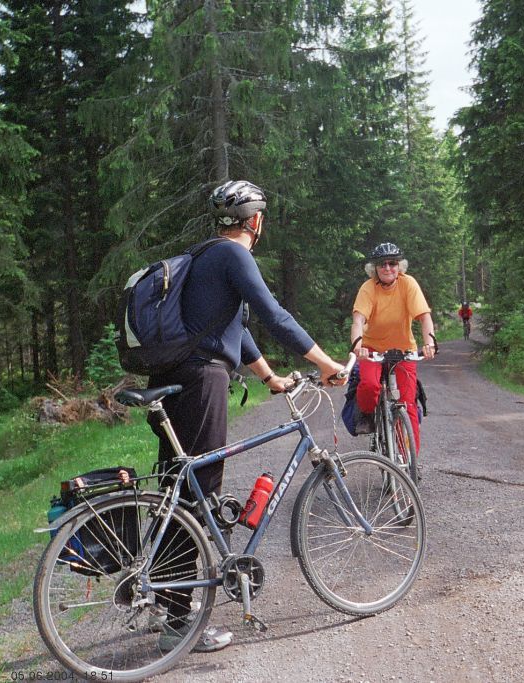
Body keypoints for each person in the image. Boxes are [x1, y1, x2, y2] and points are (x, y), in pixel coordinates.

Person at [148, 179, 345, 653]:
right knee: (199, 493)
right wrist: (325, 362)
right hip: (201, 381)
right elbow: (273, 316)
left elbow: (230, 325)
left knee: (180, 487)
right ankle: (180, 622)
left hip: (179, 377)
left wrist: (269, 377)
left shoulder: (203, 255)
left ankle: (168, 600)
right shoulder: (235, 256)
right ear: (256, 220)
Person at [349, 242, 436, 453]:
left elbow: (424, 317)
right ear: (375, 268)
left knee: (408, 405)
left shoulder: (409, 284)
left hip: (404, 350)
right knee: (369, 385)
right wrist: (357, 346)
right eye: (382, 264)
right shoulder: (368, 288)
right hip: (372, 348)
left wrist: (429, 343)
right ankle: (368, 414)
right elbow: (358, 320)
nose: (388, 268)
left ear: (400, 266)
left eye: (392, 263)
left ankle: (409, 462)